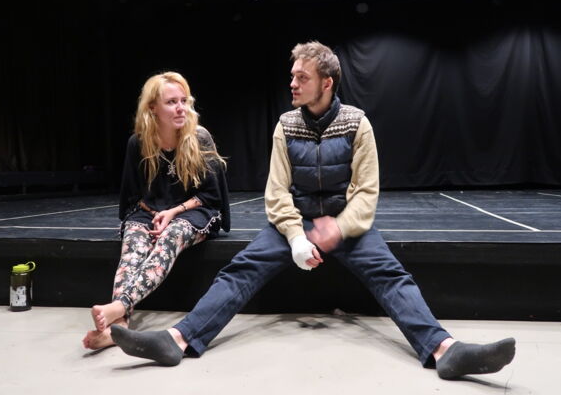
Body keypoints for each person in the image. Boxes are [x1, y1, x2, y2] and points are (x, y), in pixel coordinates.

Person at [109, 42, 515, 379]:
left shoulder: (357, 123)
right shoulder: (285, 125)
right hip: (295, 222)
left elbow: (366, 194)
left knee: (392, 276)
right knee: (240, 270)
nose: (292, 83)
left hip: (345, 224)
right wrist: (296, 237)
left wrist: (338, 228)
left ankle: (445, 350)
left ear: (326, 82)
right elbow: (276, 193)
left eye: (301, 77)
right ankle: (177, 340)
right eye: (292, 76)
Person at [82, 71, 229, 350]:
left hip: (195, 211)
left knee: (172, 235)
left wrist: (173, 212)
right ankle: (118, 328)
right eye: (171, 102)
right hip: (150, 210)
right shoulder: (138, 143)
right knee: (134, 243)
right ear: (153, 108)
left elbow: (212, 196)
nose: (180, 108)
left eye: (183, 101)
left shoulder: (199, 137)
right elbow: (132, 197)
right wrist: (152, 214)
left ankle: (119, 306)